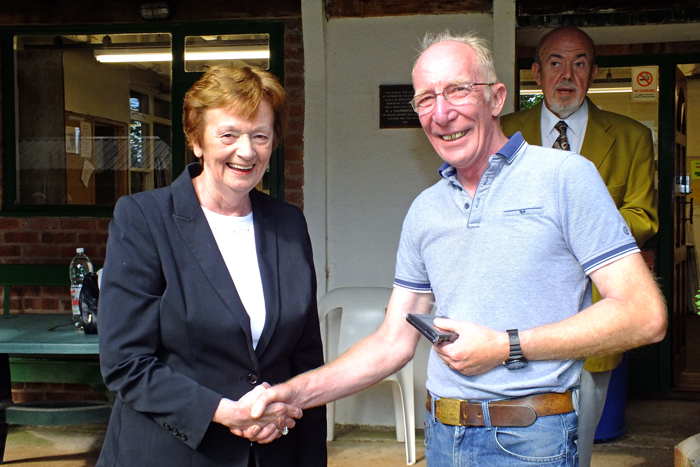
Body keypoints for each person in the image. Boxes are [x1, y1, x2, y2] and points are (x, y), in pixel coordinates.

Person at [250, 31, 667, 466]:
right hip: (443, 437)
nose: (442, 113)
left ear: (496, 98)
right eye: (426, 99)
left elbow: (644, 315)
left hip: (530, 440)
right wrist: (293, 392)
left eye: (457, 91)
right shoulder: (425, 209)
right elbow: (393, 342)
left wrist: (506, 346)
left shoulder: (566, 178)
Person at [97, 66, 327, 467]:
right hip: (173, 454)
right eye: (229, 134)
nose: (247, 151)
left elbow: (305, 360)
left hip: (274, 453)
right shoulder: (144, 219)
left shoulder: (288, 223)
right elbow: (125, 363)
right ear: (196, 140)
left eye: (260, 135)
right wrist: (225, 411)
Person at [500, 26, 659, 467]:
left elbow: (643, 216)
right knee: (509, 438)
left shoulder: (631, 137)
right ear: (536, 72)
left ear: (592, 73)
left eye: (579, 63)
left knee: (577, 445)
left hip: (594, 312)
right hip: (513, 310)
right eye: (555, 62)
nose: (566, 74)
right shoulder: (504, 131)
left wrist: (569, 233)